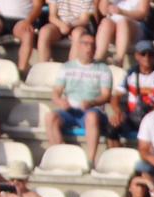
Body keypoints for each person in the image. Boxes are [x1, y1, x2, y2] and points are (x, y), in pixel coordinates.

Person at [45, 29, 111, 168]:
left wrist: (92, 102)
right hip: (70, 109)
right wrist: (60, 101)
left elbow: (106, 95)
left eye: (92, 45)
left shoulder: (103, 69)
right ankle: (60, 155)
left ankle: (90, 160)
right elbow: (56, 91)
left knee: (92, 116)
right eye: (86, 44)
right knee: (50, 117)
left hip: (92, 109)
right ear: (79, 46)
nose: (89, 47)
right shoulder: (67, 67)